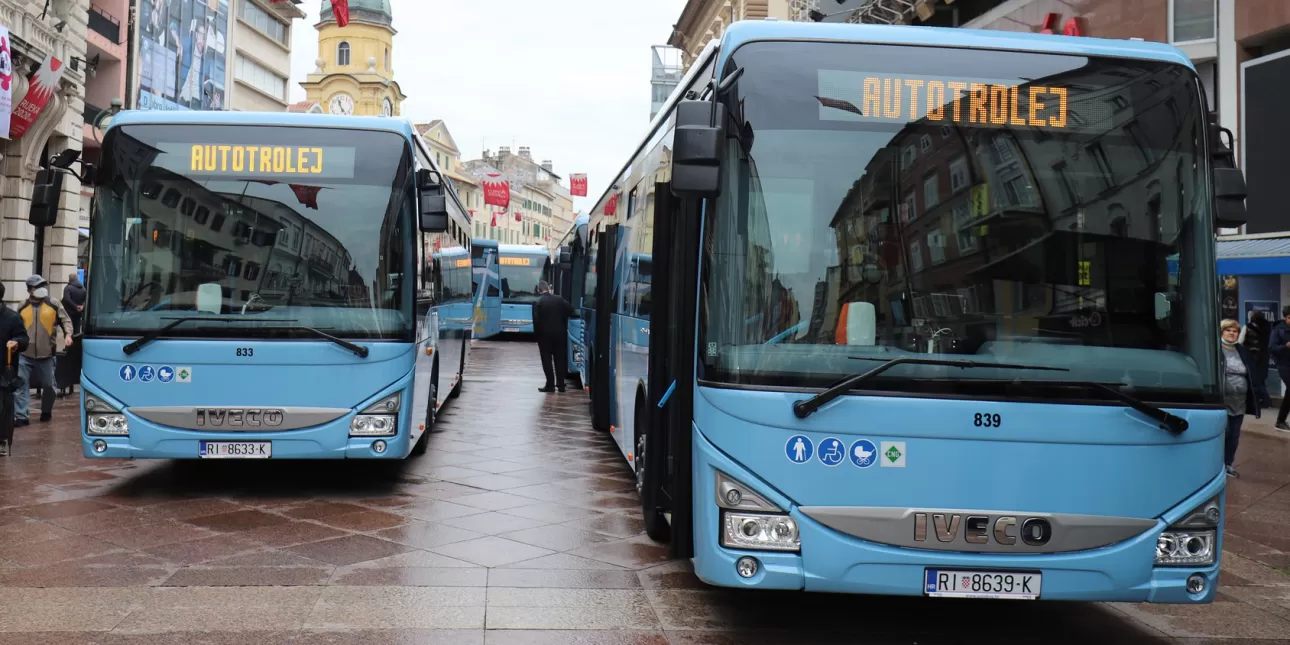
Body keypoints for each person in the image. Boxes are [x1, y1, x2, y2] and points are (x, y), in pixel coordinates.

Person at [16, 275, 73, 426]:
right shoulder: (22, 306)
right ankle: (21, 415)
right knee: (21, 383)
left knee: (49, 386)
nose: (42, 288)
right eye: (38, 286)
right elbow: (17, 327)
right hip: (24, 354)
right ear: (30, 290)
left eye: (43, 285)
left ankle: (46, 410)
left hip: (47, 354)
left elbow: (65, 319)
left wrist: (68, 334)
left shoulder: (53, 303)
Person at [1221, 319, 1258, 477]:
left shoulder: (1242, 350)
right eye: (1228, 330)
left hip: (1240, 400)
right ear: (1222, 332)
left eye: (1235, 331)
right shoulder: (1216, 350)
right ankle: (1216, 465)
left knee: (1234, 435)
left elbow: (1251, 371)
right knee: (1223, 433)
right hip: (1222, 400)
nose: (1231, 333)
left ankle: (1228, 463)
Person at [0, 283, 29, 457]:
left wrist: (17, 342)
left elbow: (24, 339)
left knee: (2, 407)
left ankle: (1, 439)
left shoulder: (12, 317)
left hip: (3, 370)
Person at [531, 281, 573, 393]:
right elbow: (571, 310)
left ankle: (550, 385)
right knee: (559, 359)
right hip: (560, 334)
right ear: (548, 289)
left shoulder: (537, 302)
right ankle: (561, 385)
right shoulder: (559, 299)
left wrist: (537, 336)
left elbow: (536, 321)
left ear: (538, 290)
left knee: (547, 360)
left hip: (544, 336)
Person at [1241, 309, 1272, 408]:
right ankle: (1265, 401)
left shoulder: (1248, 327)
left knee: (1253, 379)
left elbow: (1240, 341)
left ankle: (1260, 401)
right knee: (1261, 380)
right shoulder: (1269, 328)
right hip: (1264, 357)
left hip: (1251, 356)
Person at [1268, 306, 1290, 430]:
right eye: (1289, 318)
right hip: (1284, 365)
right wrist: (1286, 346)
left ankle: (1280, 421)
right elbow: (1272, 348)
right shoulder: (1278, 330)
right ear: (1285, 317)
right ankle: (1280, 421)